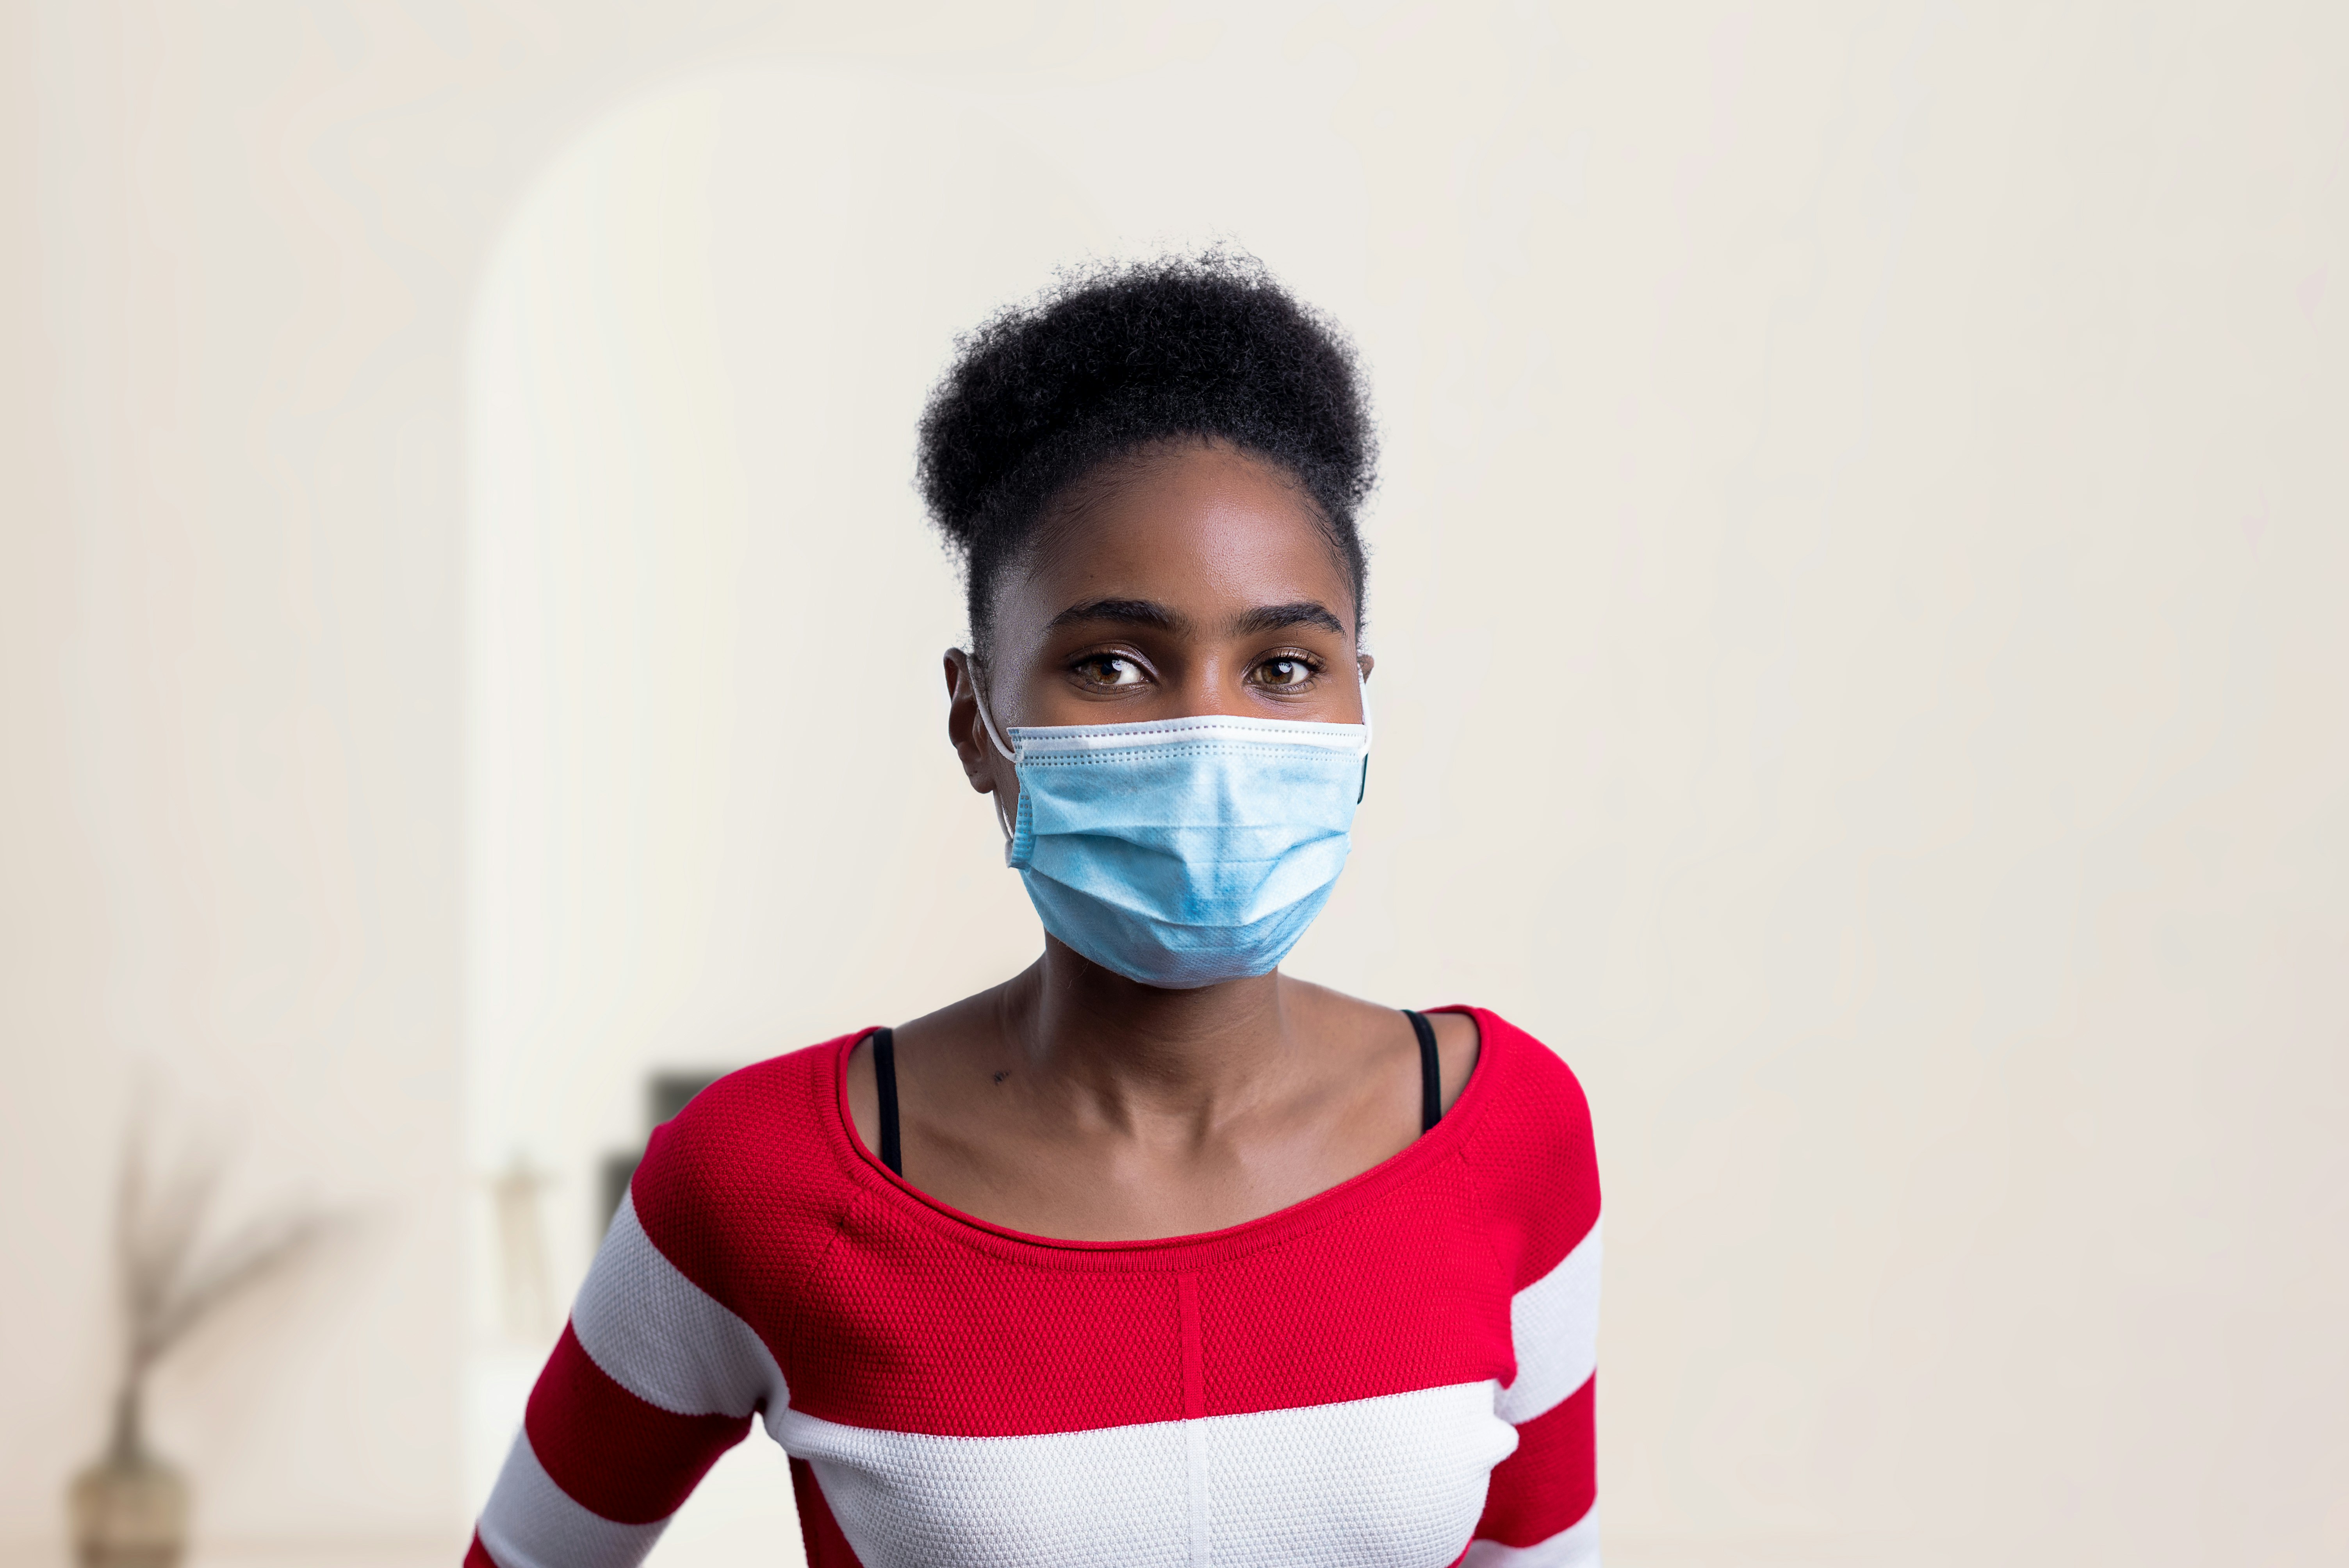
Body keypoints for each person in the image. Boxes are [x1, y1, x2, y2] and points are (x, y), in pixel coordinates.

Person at [465, 254, 1602, 1568]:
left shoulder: (1508, 1130)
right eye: (1110, 664)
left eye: (1285, 664)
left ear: (1360, 704)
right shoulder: (759, 1179)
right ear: (977, 719)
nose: (1211, 733)